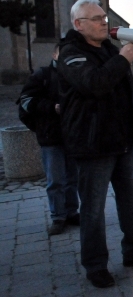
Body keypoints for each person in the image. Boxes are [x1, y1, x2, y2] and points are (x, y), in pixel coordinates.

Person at [58, 0, 133, 288]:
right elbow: (93, 84)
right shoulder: (71, 53)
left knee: (132, 201)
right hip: (92, 144)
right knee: (92, 209)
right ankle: (95, 265)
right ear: (79, 25)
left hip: (120, 141)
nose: (104, 21)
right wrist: (123, 59)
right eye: (96, 18)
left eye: (104, 16)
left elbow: (126, 92)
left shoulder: (107, 50)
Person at [18, 44, 79, 236]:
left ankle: (71, 212)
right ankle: (58, 217)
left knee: (72, 178)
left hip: (71, 135)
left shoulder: (75, 74)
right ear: (55, 54)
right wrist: (52, 107)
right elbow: (26, 100)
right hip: (50, 136)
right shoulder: (42, 75)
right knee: (55, 180)